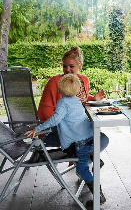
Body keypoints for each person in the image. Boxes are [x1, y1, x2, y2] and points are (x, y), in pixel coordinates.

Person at [25, 74, 108, 208]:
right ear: (77, 90)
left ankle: (99, 197)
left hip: (79, 143)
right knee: (78, 152)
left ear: (59, 89)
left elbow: (55, 120)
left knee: (82, 169)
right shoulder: (76, 100)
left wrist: (38, 128)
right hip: (89, 137)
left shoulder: (62, 103)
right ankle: (93, 156)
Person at [37, 46, 109, 150]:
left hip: (78, 128)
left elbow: (79, 99)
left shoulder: (84, 80)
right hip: (56, 131)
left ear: (79, 66)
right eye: (64, 66)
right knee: (98, 140)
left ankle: (80, 158)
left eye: (71, 66)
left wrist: (93, 98)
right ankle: (83, 159)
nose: (67, 70)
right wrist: (67, 124)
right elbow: (44, 112)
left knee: (102, 139)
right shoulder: (55, 82)